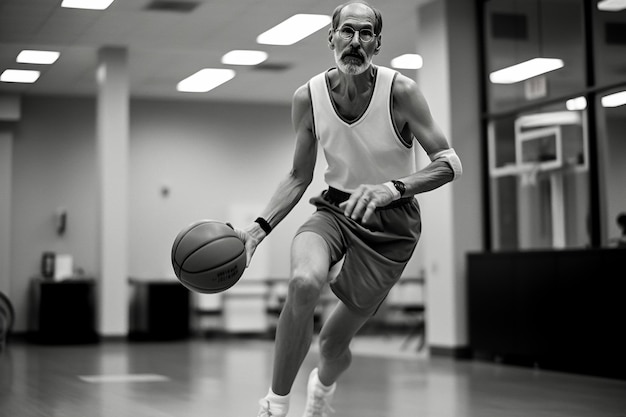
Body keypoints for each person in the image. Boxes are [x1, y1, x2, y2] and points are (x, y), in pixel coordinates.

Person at [235, 1, 462, 416]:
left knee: (332, 345)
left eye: (365, 34)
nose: (355, 42)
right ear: (331, 38)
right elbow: (298, 176)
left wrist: (392, 189)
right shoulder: (308, 97)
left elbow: (449, 163)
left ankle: (321, 389)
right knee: (304, 283)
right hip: (335, 208)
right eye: (347, 32)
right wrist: (255, 231)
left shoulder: (401, 92)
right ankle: (275, 403)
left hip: (391, 227)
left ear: (377, 42)